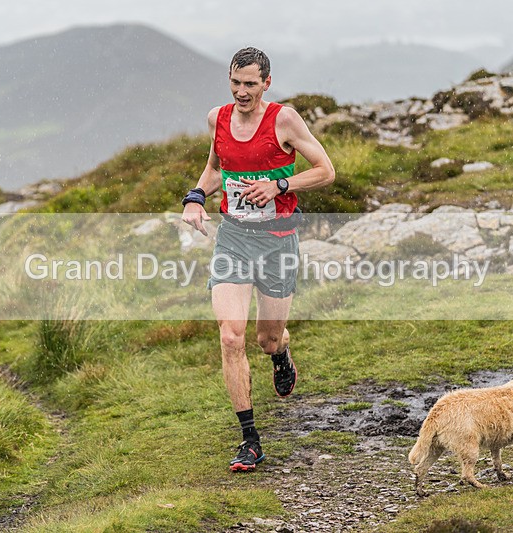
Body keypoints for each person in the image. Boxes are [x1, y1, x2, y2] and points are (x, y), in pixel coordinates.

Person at [182, 47, 335, 472]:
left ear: (266, 83)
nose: (242, 91)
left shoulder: (284, 120)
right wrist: (196, 198)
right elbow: (216, 168)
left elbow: (326, 170)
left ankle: (280, 352)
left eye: (250, 84)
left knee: (266, 338)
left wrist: (280, 185)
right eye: (235, 82)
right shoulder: (218, 119)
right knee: (231, 336)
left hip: (278, 241)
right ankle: (250, 439)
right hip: (233, 239)